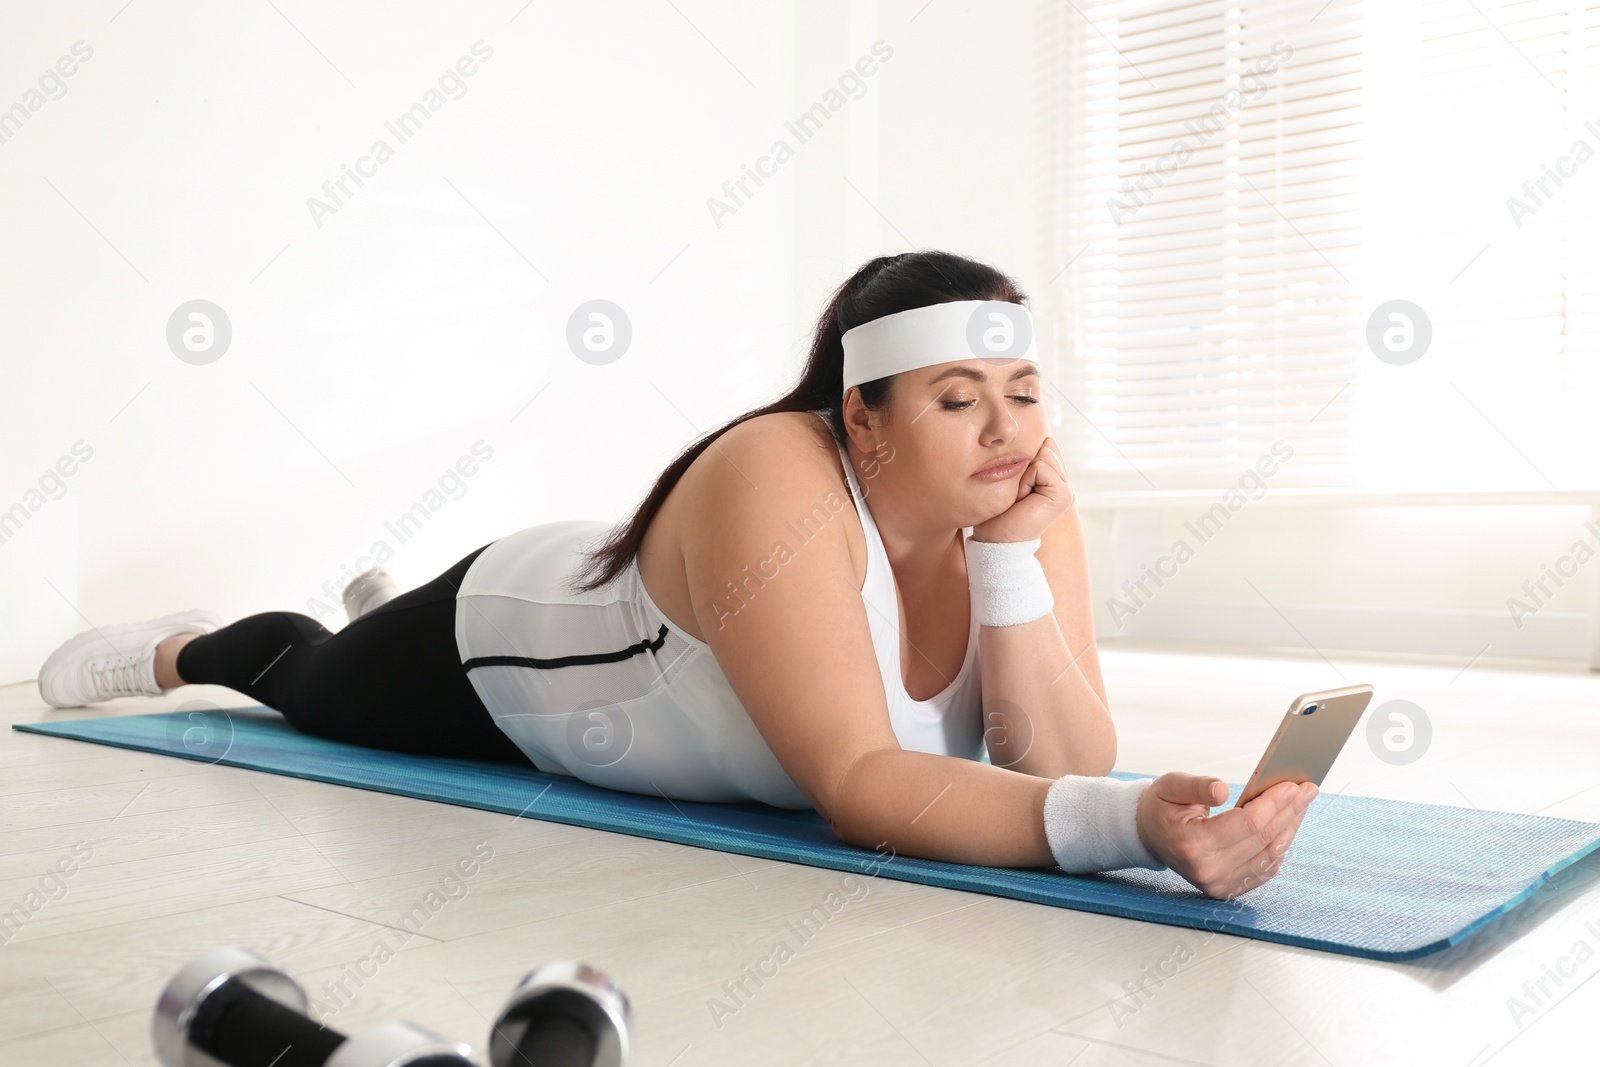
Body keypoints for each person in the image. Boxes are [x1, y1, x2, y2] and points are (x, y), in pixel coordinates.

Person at [37, 250, 1314, 900]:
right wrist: (1128, 831)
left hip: (633, 674)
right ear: (862, 419)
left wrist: (1012, 572)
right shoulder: (775, 466)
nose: (1006, 431)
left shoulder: (1021, 508)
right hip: (503, 651)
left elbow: (1055, 760)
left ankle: (377, 607)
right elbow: (865, 788)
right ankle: (197, 646)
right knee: (310, 679)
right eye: (956, 397)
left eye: (1023, 394)